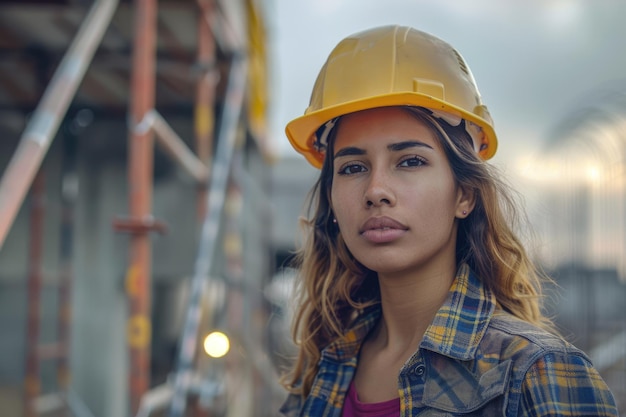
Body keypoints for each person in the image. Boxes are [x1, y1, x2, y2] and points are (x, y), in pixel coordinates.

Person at [278, 25, 618, 417]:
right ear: (332, 199)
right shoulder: (324, 370)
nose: (375, 190)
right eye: (353, 167)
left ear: (465, 194)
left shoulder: (535, 374)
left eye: (410, 161)